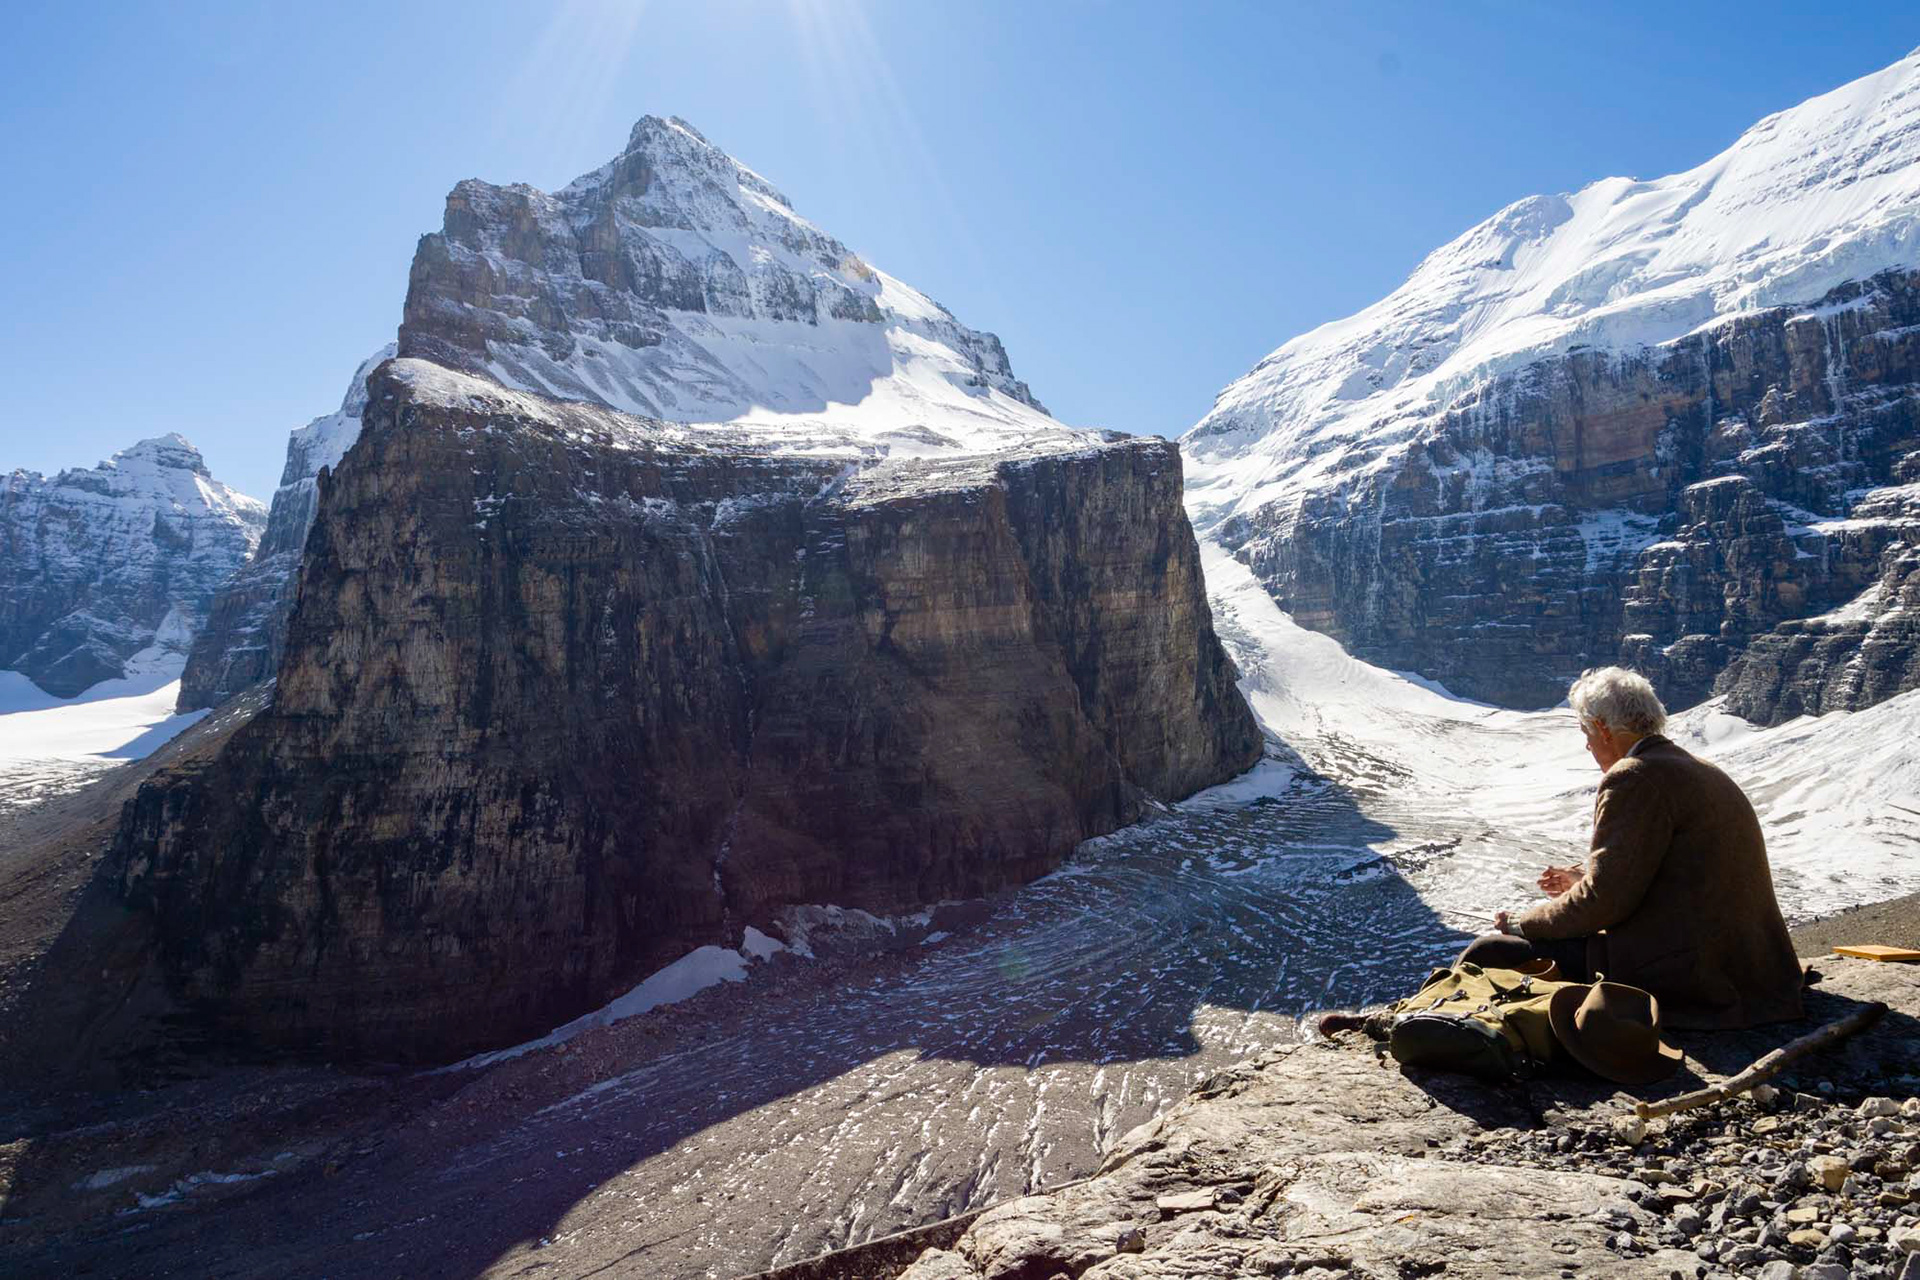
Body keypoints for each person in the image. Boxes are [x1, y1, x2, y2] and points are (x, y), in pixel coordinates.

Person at [1455, 666, 1804, 1029]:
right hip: (1750, 970)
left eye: (1586, 733)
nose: (1588, 746)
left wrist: (1520, 924)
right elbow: (1668, 875)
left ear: (1602, 728)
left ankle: (1436, 1031)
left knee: (1490, 952)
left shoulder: (1633, 777)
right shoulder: (1697, 768)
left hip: (1694, 976)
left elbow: (1603, 903)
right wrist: (1584, 878)